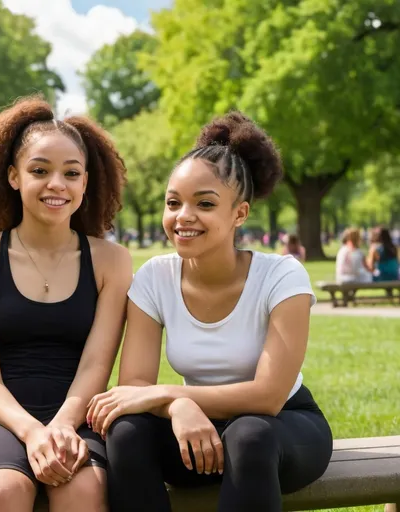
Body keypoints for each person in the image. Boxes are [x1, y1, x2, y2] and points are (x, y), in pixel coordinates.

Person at [86, 112, 333, 512]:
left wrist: (170, 393)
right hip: (196, 431)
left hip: (281, 430)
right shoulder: (154, 277)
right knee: (127, 431)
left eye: (204, 203)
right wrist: (179, 405)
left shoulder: (282, 275)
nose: (183, 216)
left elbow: (268, 397)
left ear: (240, 213)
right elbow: (133, 384)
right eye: (173, 202)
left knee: (249, 434)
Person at [0, 95, 132, 512]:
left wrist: (61, 426)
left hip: (76, 416)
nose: (56, 184)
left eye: (71, 173)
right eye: (39, 171)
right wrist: (30, 431)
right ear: (13, 176)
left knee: (84, 491)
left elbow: (98, 365)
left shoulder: (111, 261)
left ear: (85, 183)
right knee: (3, 492)